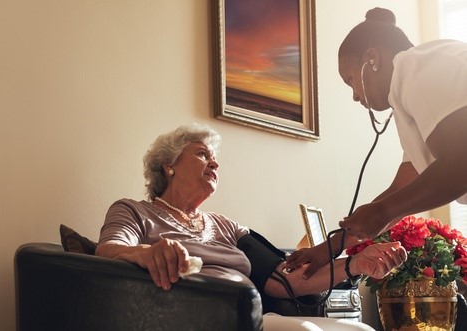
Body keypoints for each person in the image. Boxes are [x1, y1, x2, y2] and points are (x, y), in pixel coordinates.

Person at [95, 123, 407, 331]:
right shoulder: (133, 210)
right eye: (202, 154)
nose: (215, 164)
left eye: (215, 158)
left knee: (360, 329)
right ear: (169, 165)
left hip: (247, 314)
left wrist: (354, 264)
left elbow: (285, 281)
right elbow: (108, 250)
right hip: (182, 316)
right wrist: (147, 254)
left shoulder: (225, 226)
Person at [287, 7, 467, 278]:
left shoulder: (416, 67)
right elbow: (401, 188)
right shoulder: (413, 92)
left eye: (350, 81)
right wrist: (329, 247)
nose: (355, 97)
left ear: (372, 59)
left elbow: (460, 165)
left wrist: (384, 211)